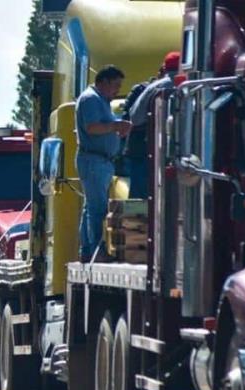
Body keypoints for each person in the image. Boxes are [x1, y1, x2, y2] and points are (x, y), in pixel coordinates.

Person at [75, 65, 132, 263]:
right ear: (104, 82)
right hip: (94, 159)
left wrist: (116, 128)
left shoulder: (100, 100)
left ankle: (87, 249)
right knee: (97, 209)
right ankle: (97, 251)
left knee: (90, 207)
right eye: (115, 85)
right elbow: (92, 127)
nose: (117, 90)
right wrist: (116, 126)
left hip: (100, 160)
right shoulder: (91, 99)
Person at [125, 51, 181, 198]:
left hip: (146, 151)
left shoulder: (153, 87)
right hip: (177, 153)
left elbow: (135, 117)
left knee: (141, 201)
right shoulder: (189, 84)